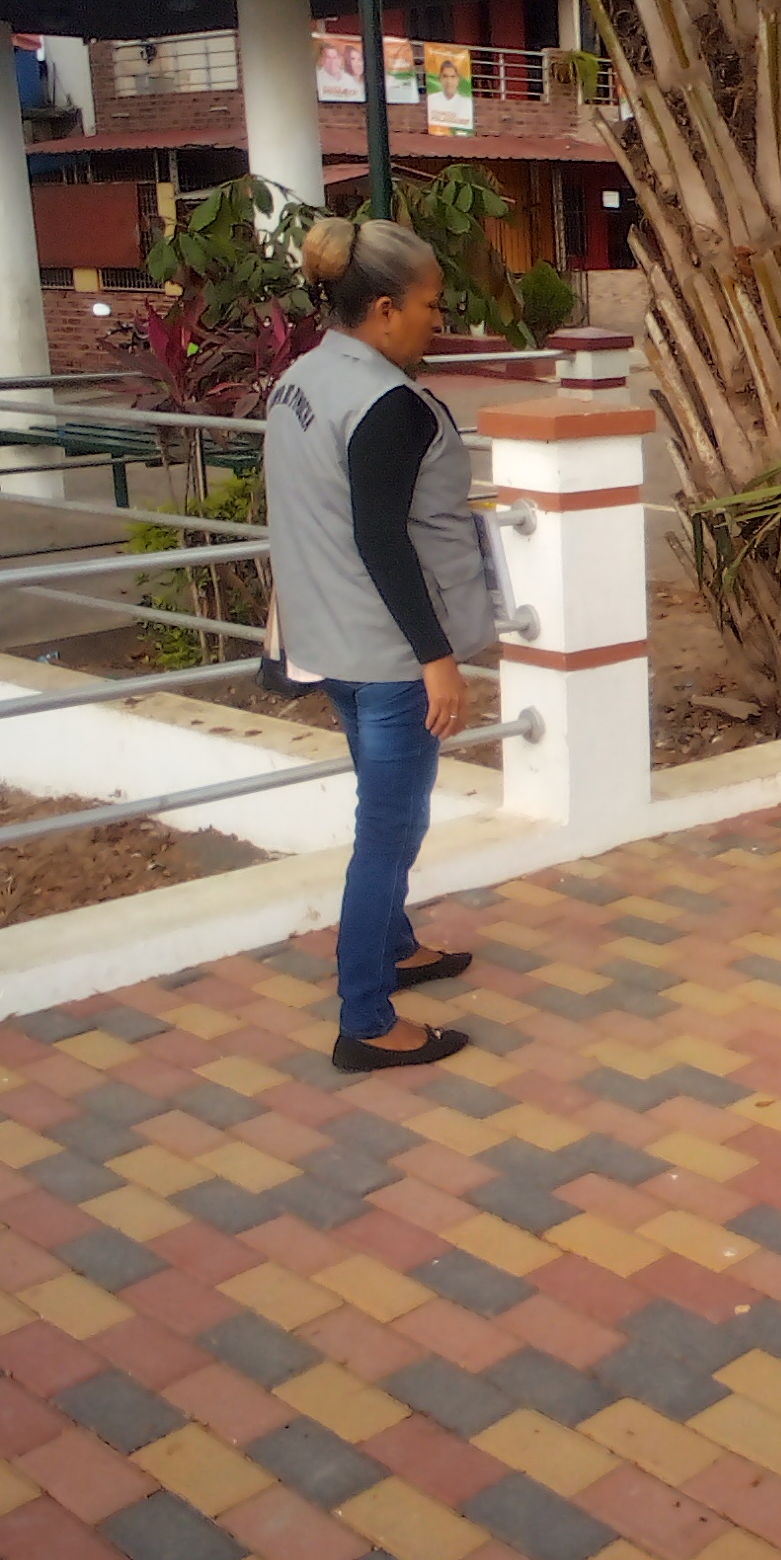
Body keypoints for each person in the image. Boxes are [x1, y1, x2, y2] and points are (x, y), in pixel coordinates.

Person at [266, 216, 487, 1069]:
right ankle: (365, 1021)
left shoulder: (303, 378)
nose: (439, 319)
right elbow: (382, 540)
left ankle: (395, 947)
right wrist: (437, 660)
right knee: (388, 833)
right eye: (431, 305)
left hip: (331, 640)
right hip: (388, 656)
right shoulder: (387, 405)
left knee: (389, 813)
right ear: (386, 309)